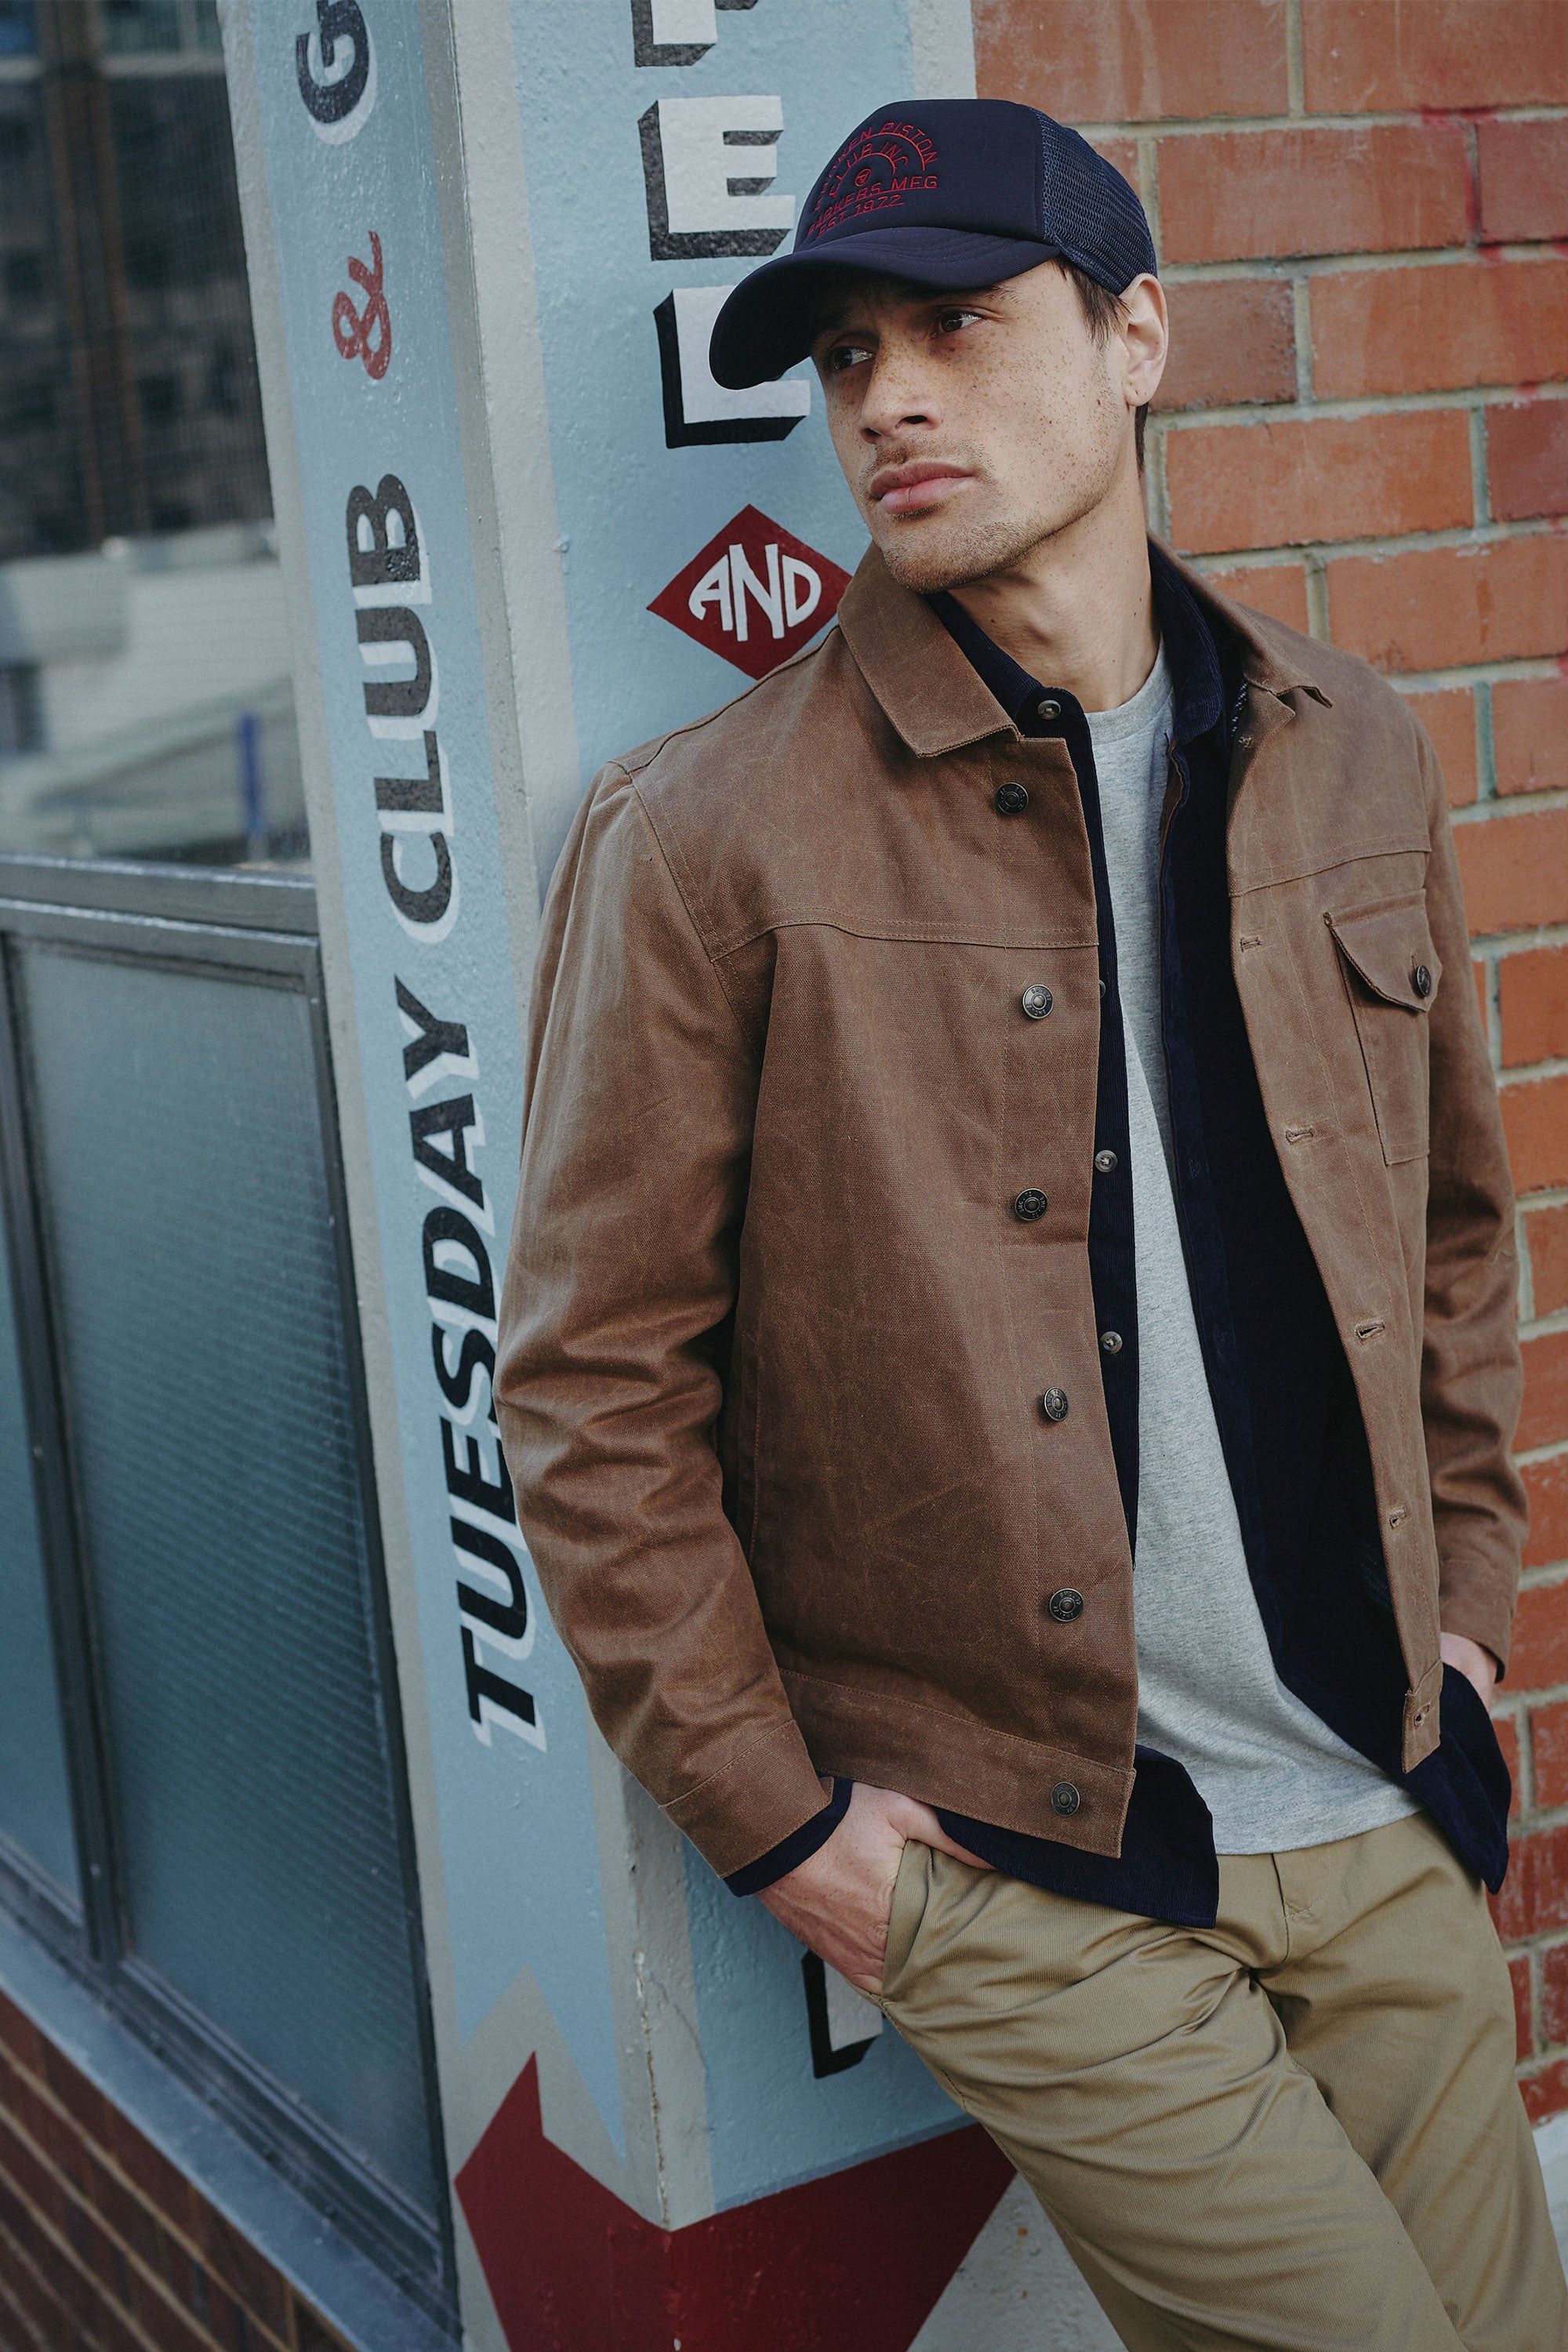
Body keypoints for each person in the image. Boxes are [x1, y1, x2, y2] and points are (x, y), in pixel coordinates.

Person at [496, 97, 1567, 2349]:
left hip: (1379, 1790)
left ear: (1136, 334)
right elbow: (593, 1387)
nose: (888, 395)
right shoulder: (706, 837)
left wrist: (1467, 1630)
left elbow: (1459, 1235)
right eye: (848, 353)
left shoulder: (1349, 747)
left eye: (961, 324)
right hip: (1031, 1866)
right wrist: (794, 1843)